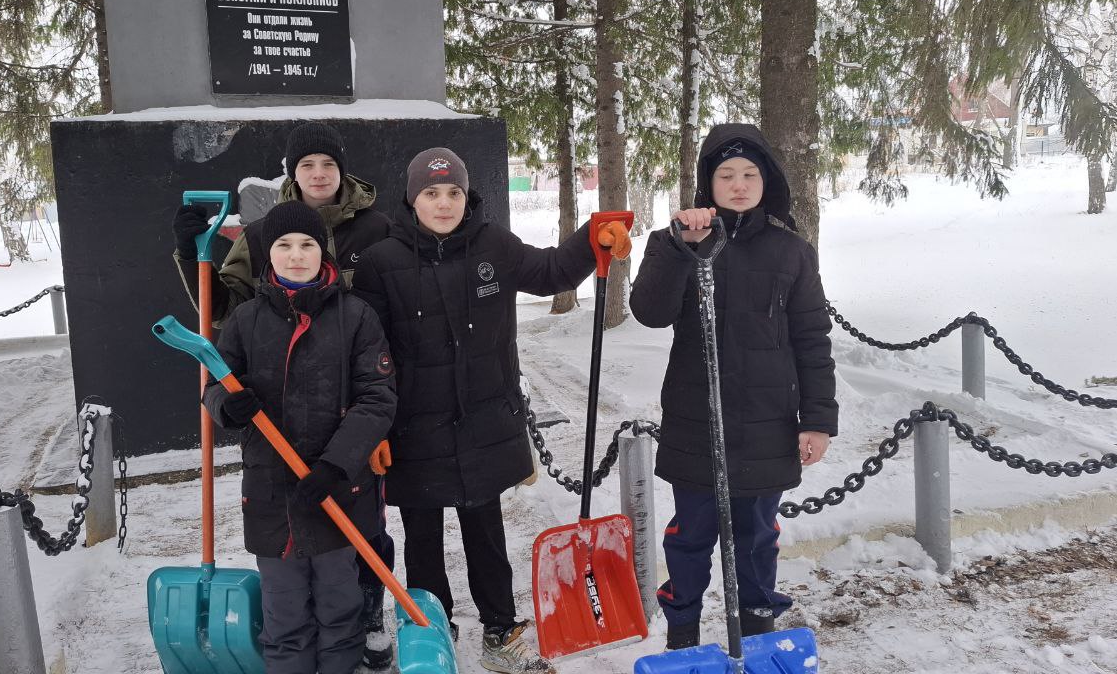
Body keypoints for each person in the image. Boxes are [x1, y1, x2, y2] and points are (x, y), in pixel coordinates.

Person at [351, 148, 631, 674]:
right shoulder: (381, 262)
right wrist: (374, 429)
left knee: (486, 534)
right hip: (413, 429)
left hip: (483, 422)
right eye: (432, 193)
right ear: (413, 200)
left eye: (453, 192)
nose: (444, 203)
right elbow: (370, 352)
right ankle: (432, 632)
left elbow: (549, 271)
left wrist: (591, 235)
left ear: (466, 196)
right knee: (423, 538)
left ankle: (501, 632)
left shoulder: (493, 245)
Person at [174, 122, 398, 669]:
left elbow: (376, 397)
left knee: (341, 610)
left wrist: (337, 466)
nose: (296, 255)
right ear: (265, 253)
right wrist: (227, 404)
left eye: (307, 245)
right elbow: (215, 384)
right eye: (282, 245)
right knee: (284, 615)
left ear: (323, 251)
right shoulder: (247, 321)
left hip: (337, 487)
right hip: (270, 492)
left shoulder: (355, 316)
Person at [629, 123, 838, 649]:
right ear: (709, 182)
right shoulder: (679, 240)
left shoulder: (791, 251)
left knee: (757, 539)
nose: (739, 184)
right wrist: (683, 246)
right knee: (691, 536)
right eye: (726, 175)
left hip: (768, 424)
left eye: (750, 174)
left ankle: (758, 634)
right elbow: (648, 311)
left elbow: (812, 339)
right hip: (696, 421)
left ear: (767, 181)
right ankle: (683, 637)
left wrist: (817, 419)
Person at [173, 121, 393, 321]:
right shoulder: (258, 236)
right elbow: (223, 310)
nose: (319, 173)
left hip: (360, 361)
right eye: (307, 165)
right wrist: (190, 255)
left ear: (341, 170)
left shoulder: (377, 230)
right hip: (280, 362)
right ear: (293, 172)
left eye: (328, 164)